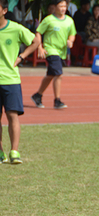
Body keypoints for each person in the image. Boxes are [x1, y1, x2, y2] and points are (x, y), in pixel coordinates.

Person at [0, 0, 41, 164]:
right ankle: (0, 152)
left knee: (12, 115)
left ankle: (14, 151)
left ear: (4, 10)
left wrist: (21, 57)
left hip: (10, 79)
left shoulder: (15, 28)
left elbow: (36, 41)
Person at [30, 0, 76, 110]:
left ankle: (38, 95)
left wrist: (71, 41)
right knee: (58, 74)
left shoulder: (69, 21)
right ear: (55, 7)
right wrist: (40, 47)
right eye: (61, 6)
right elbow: (38, 32)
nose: (63, 8)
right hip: (51, 50)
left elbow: (72, 34)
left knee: (51, 75)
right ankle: (57, 100)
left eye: (65, 6)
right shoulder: (49, 20)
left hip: (62, 52)